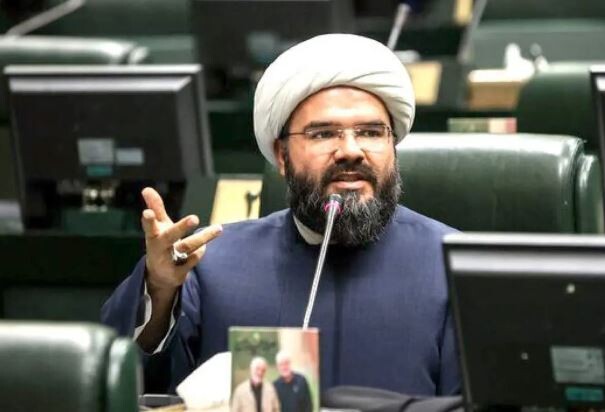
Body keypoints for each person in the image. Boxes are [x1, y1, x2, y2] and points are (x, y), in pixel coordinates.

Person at [101, 33, 460, 396]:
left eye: (370, 132)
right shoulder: (212, 263)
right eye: (323, 134)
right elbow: (131, 383)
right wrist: (161, 288)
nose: (351, 150)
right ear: (282, 156)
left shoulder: (451, 264)